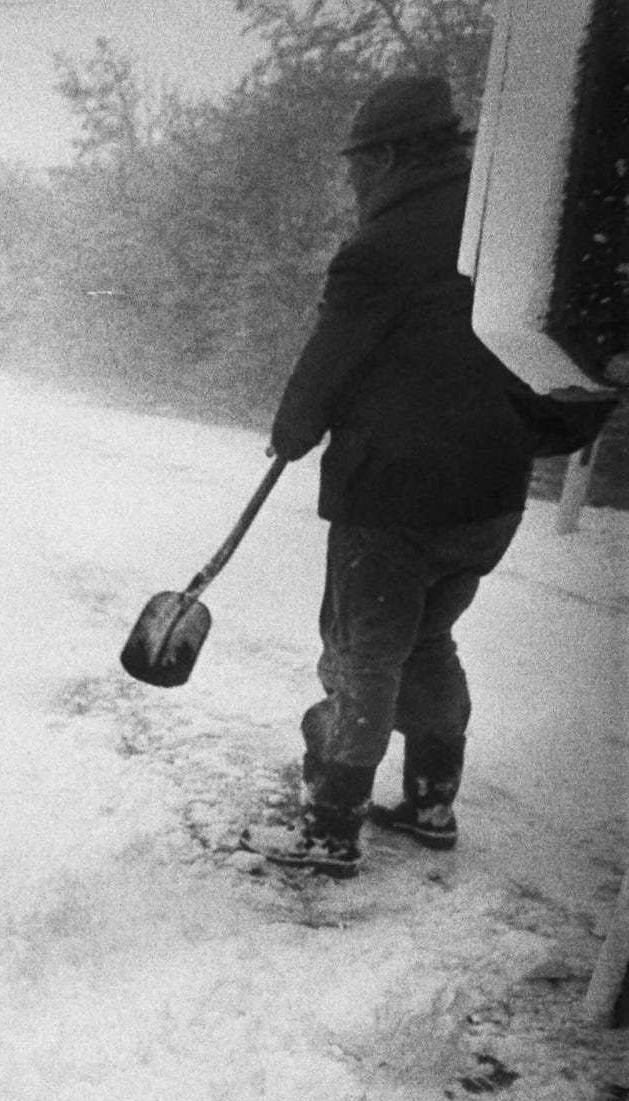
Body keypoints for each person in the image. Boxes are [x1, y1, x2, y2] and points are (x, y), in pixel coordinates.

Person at [243, 75, 606, 879]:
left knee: (362, 656)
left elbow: (330, 357)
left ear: (390, 156)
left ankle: (330, 827)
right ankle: (431, 803)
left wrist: (293, 431)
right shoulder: (503, 231)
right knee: (429, 640)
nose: (351, 179)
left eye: (356, 163)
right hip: (489, 498)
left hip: (395, 497)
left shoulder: (382, 249)